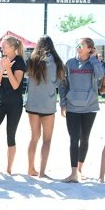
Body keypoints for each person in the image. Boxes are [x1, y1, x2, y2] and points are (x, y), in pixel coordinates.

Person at [58, 37, 104, 183]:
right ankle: (73, 173)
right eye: (77, 44)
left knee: (84, 139)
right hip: (72, 107)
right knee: (74, 139)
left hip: (89, 107)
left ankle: (79, 170)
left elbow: (100, 75)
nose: (78, 46)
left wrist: (94, 58)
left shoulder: (94, 64)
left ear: (89, 49)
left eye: (81, 45)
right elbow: (63, 84)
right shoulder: (70, 63)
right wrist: (63, 103)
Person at [24, 35, 65, 178]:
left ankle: (30, 168)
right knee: (47, 139)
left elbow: (25, 77)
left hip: (33, 104)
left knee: (34, 137)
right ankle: (42, 172)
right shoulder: (58, 62)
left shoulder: (31, 60)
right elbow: (59, 84)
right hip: (48, 104)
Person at [0, 35, 27, 175]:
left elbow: (16, 85)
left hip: (15, 104)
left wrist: (8, 69)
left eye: (4, 45)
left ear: (13, 47)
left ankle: (9, 168)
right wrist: (2, 68)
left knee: (10, 135)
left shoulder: (20, 62)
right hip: (0, 102)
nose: (1, 47)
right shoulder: (3, 60)